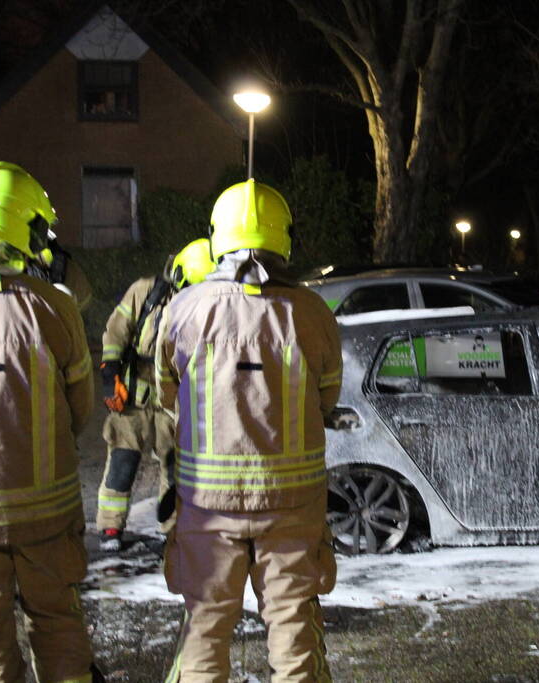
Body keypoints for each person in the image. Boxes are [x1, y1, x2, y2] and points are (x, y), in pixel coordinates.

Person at [156, 179, 341, 681]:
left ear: (217, 236)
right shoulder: (313, 313)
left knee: (205, 630)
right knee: (294, 629)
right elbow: (327, 398)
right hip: (292, 502)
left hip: (206, 503)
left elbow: (167, 395)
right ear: (285, 237)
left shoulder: (183, 310)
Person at [0, 162, 100, 681]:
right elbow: (81, 407)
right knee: (58, 628)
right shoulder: (54, 306)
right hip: (47, 514)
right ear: (25, 229)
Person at [97, 238, 216, 551]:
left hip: (174, 393)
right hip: (135, 390)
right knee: (122, 460)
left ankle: (174, 529)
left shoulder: (206, 306)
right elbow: (116, 330)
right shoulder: (145, 291)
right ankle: (110, 528)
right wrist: (110, 371)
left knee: (175, 465)